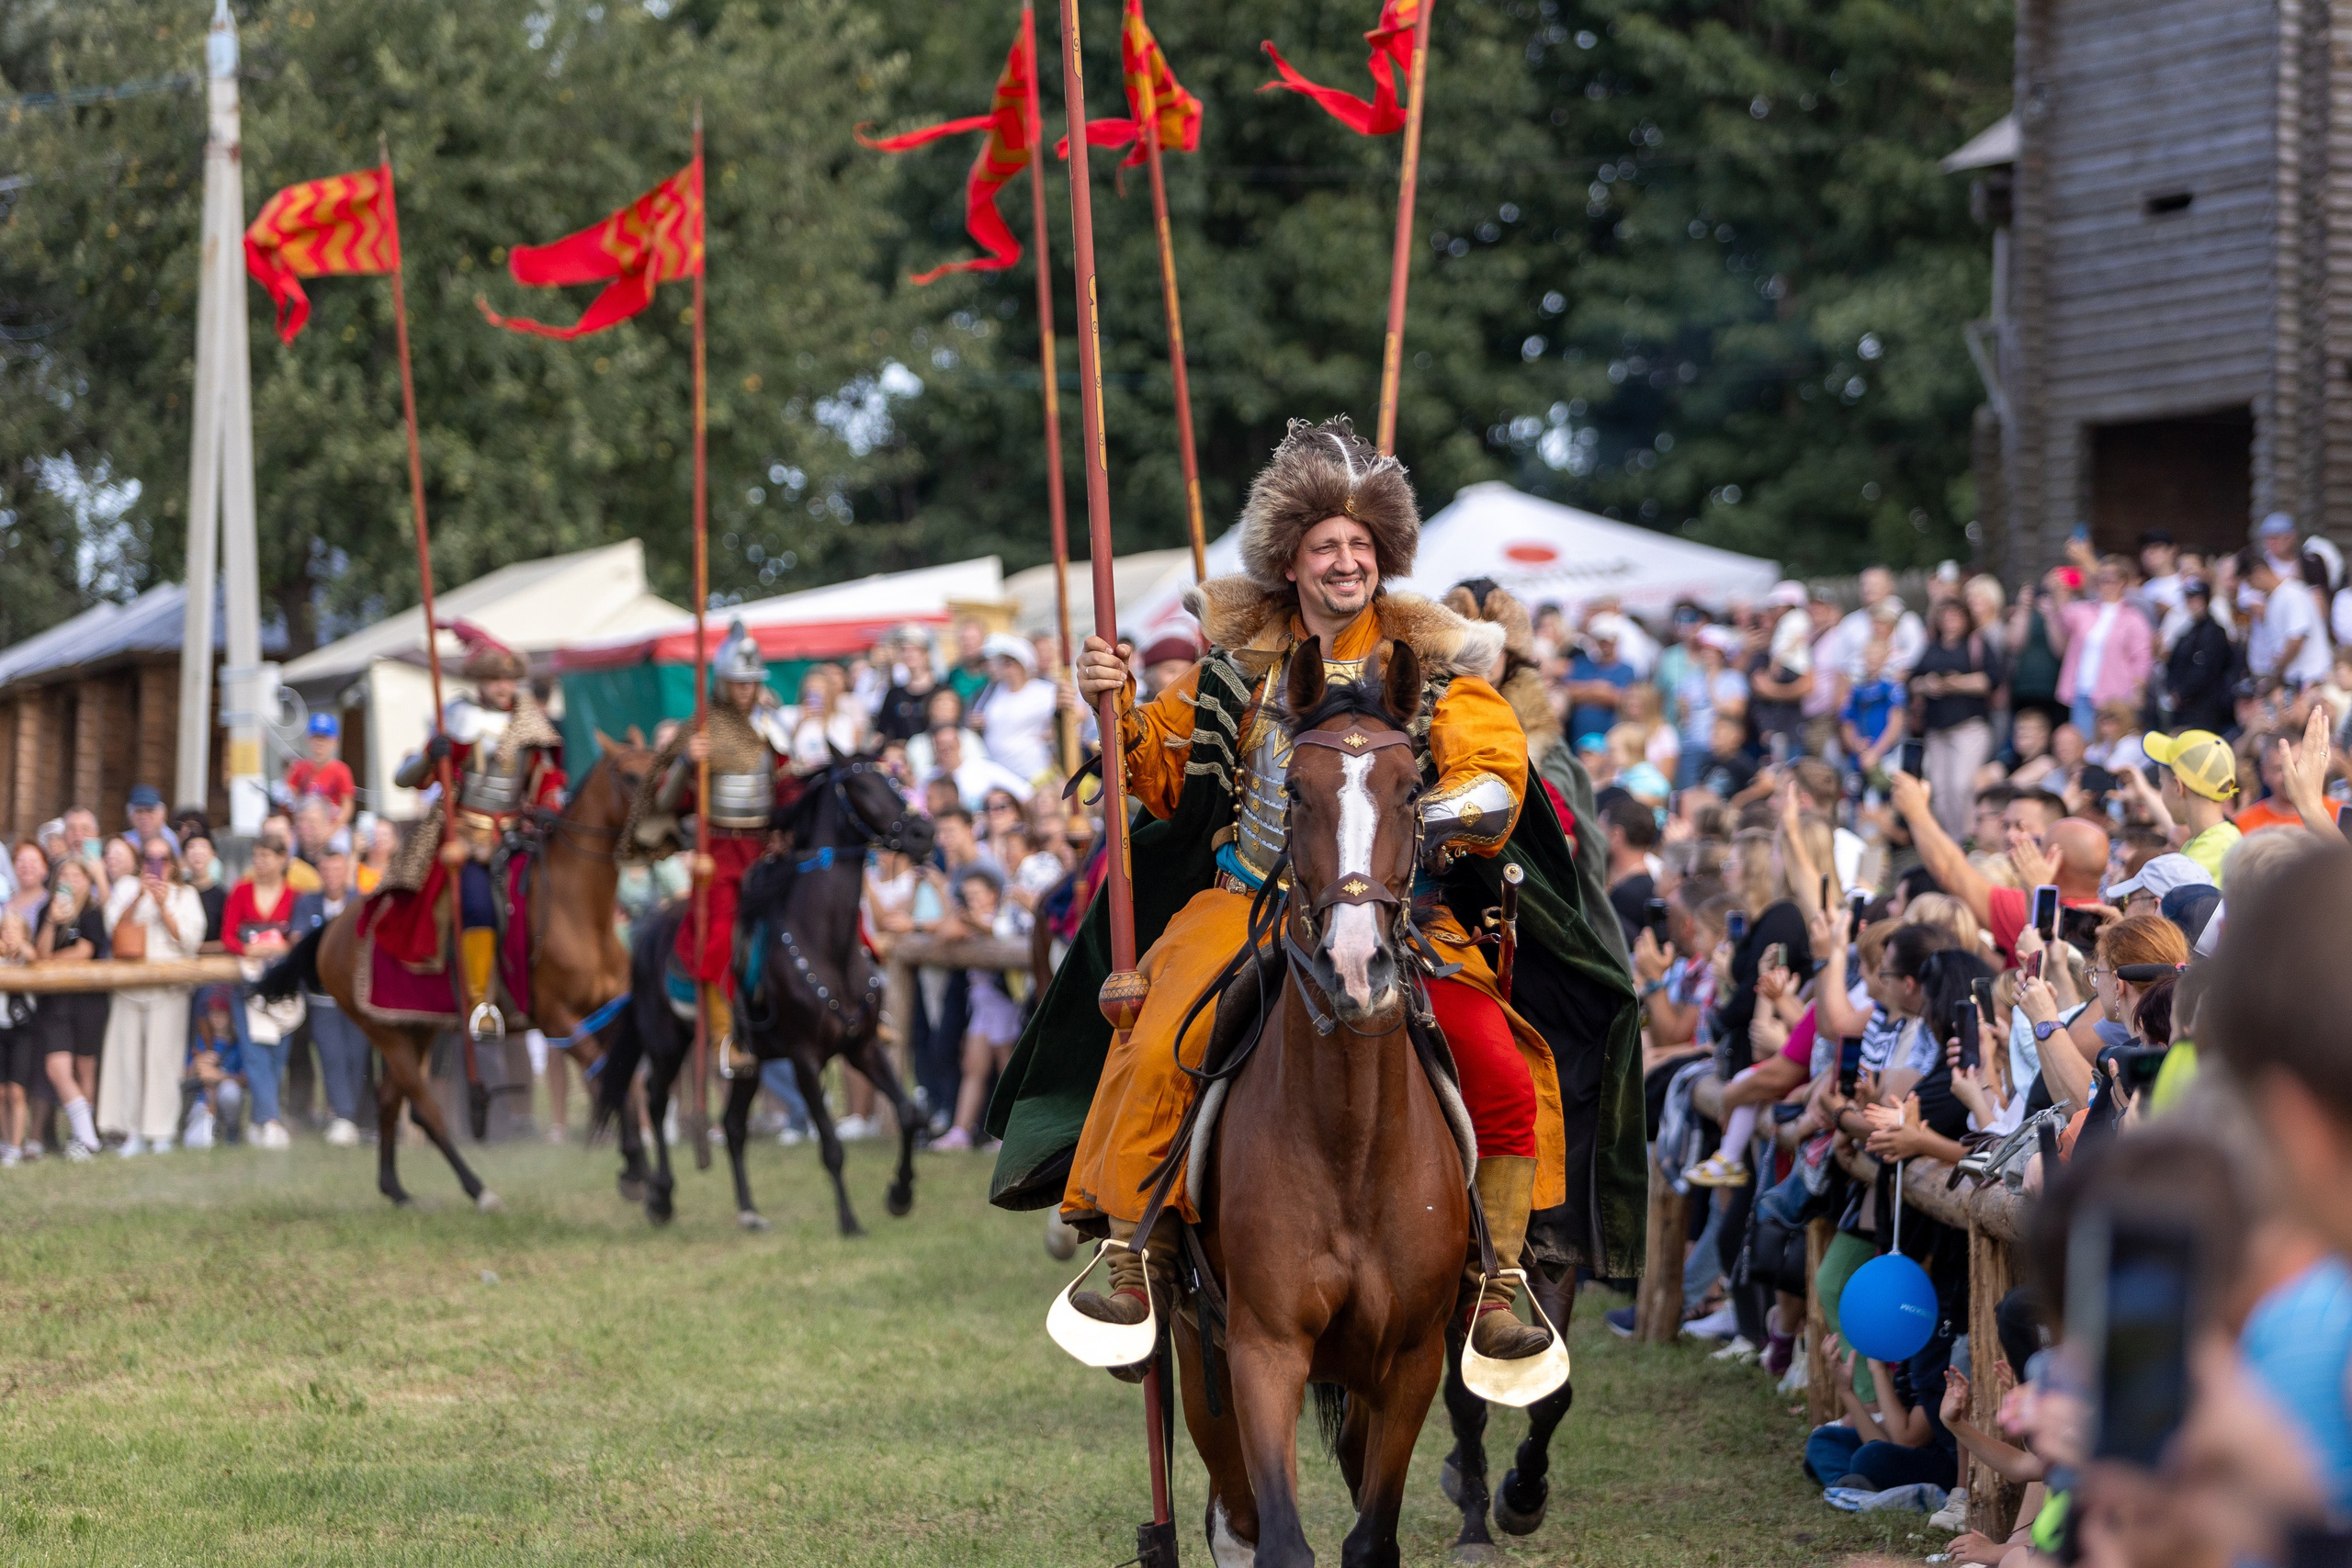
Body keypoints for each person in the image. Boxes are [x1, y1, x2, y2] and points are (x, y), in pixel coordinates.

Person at [1043, 416, 1606, 1368]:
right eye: (1324, 547)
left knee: (1504, 1070)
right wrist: (1112, 701)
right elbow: (1158, 773)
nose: (1344, 561)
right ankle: (1141, 1254)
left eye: (1359, 545)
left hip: (1397, 911)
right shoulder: (1234, 671)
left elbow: (1494, 779)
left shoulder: (1435, 667)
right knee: (1157, 1044)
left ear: (1380, 557)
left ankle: (1494, 1283)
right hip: (1245, 897)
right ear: (1289, 562)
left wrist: (1397, 827)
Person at [382, 625, 565, 1037]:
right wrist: (432, 755)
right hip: (466, 837)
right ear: (479, 682)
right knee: (479, 906)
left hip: (520, 835)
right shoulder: (460, 720)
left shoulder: (531, 723)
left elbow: (547, 777)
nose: (503, 687)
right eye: (494, 679)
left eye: (508, 679)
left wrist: (552, 803)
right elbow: (407, 779)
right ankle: (481, 1003)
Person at [636, 619, 789, 1075]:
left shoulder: (770, 728)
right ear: (723, 682)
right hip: (718, 852)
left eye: (752, 683)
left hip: (765, 850)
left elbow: (784, 788)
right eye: (739, 683)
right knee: (718, 934)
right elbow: (665, 800)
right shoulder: (701, 729)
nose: (746, 691)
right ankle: (725, 1039)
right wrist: (686, 763)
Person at [96, 835, 206, 1155]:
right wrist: (139, 898)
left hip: (169, 990)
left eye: (163, 859)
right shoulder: (127, 888)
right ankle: (131, 1132)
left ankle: (161, 1133)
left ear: (172, 864)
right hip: (129, 988)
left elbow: (189, 940)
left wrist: (161, 905)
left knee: (163, 1063)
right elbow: (112, 928)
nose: (156, 865)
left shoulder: (186, 895)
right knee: (126, 1062)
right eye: (149, 859)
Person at [290, 836, 368, 1146]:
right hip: (321, 995)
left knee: (357, 1055)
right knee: (331, 1055)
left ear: (346, 870)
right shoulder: (307, 903)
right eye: (326, 870)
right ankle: (343, 1117)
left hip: (355, 997)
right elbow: (299, 941)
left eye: (337, 869)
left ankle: (356, 1116)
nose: (331, 875)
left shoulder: (360, 902)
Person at [224, 831, 300, 1147]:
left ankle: (259, 1121)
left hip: (283, 985)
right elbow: (228, 935)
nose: (260, 862)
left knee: (277, 1052)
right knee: (254, 1051)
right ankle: (271, 1121)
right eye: (256, 856)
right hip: (248, 982)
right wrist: (247, 950)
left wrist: (284, 948)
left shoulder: (295, 896)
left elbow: (300, 937)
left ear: (282, 859)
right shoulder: (241, 892)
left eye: (266, 856)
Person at [34, 856, 108, 1159]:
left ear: (88, 881)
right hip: (55, 1002)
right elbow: (39, 951)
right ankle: (88, 1134)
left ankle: (81, 1140)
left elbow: (85, 951)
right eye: (65, 875)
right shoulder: (45, 910)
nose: (70, 881)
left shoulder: (92, 912)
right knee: (57, 1068)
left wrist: (50, 960)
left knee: (85, 1067)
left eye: (77, 876)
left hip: (88, 999)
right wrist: (52, 921)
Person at [1910, 599, 2003, 841]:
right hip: (1936, 726)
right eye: (1945, 616)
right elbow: (1912, 679)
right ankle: (1951, 840)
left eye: (1955, 615)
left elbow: (1992, 680)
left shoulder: (1976, 643)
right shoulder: (1932, 646)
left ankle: (1966, 838)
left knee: (1962, 786)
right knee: (1939, 790)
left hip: (1968, 724)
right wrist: (1928, 684)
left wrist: (1953, 683)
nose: (1950, 621)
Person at [2054, 552, 2154, 739]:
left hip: (2115, 695)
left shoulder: (2134, 618)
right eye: (2101, 579)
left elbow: (2142, 657)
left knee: (2111, 743)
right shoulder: (2084, 610)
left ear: (2123, 583)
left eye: (2111, 580)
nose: (2105, 585)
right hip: (2083, 690)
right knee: (2083, 743)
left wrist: (2138, 690)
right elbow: (2063, 618)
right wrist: (2060, 590)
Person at [2130, 729, 2244, 884]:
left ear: (2178, 787)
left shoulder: (2199, 862)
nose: (2161, 792)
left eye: (2162, 784)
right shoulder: (2223, 838)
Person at [971, 632, 1058, 784]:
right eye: (1003, 662)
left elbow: (1076, 714)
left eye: (1010, 662)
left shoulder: (1044, 692)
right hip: (999, 773)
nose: (1005, 667)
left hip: (1032, 772)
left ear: (1023, 664)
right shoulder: (994, 690)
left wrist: (1054, 733)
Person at [2241, 547, 2333, 692]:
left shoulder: (2292, 593)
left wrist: (2277, 669)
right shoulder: (2274, 598)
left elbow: (2296, 639)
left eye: (2249, 581)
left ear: (2259, 573)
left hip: (2311, 678)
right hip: (2295, 680)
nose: (2251, 587)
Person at [2164, 577, 2236, 733]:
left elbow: (2207, 670)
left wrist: (2182, 692)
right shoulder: (2188, 631)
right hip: (2184, 706)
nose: (2191, 602)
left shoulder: (2214, 632)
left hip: (2205, 707)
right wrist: (2174, 691)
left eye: (2195, 598)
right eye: (2188, 598)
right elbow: (2173, 663)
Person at [1840, 633, 1907, 786]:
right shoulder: (1856, 689)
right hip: (1859, 756)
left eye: (1876, 655)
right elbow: (1847, 722)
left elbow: (1896, 723)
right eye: (1869, 654)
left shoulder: (1891, 688)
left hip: (1886, 756)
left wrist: (1876, 752)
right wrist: (1856, 745)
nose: (1872, 659)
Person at [1564, 615, 1639, 750]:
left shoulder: (1627, 669)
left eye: (1608, 640)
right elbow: (1567, 693)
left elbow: (1621, 700)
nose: (1604, 644)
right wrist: (1598, 689)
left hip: (1611, 741)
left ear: (1616, 640)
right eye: (1601, 640)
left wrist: (1584, 692)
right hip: (1579, 742)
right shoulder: (1581, 664)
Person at [0, 908, 37, 1166]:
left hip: (22, 1029)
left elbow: (34, 956)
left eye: (15, 930)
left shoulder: (27, 959)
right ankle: (5, 1143)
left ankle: (16, 1145)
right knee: (1, 1093)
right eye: (4, 930)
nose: (8, 935)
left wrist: (19, 947)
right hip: (0, 1027)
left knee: (16, 1091)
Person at [283, 712, 358, 829]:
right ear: (308, 740)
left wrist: (331, 830)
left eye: (325, 739)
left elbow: (347, 806)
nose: (319, 744)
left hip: (332, 826)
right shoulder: (300, 768)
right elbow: (290, 798)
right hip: (305, 827)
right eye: (316, 738)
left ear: (335, 742)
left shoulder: (341, 770)